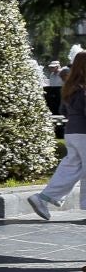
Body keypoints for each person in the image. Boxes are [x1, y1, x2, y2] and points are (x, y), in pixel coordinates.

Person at [29, 53, 86, 220]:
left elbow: (63, 111)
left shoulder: (70, 86)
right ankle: (42, 198)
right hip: (84, 133)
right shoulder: (84, 89)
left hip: (72, 133)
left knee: (70, 167)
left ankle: (42, 198)